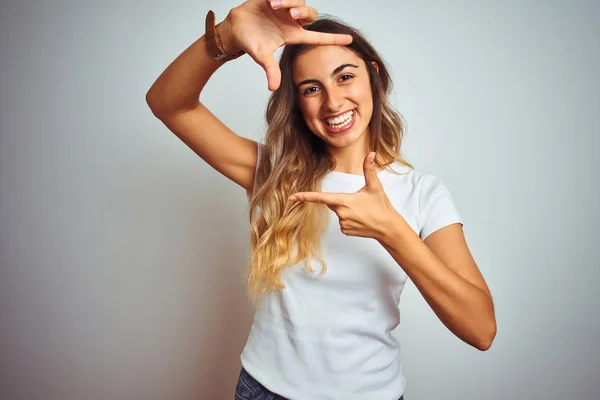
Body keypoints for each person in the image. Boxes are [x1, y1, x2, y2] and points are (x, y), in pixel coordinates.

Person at [146, 0, 497, 399]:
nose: (332, 103)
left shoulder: (423, 194)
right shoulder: (272, 173)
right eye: (312, 89)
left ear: (373, 76)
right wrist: (226, 35)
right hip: (264, 390)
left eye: (345, 77)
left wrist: (393, 231)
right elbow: (168, 103)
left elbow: (481, 329)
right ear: (297, 102)